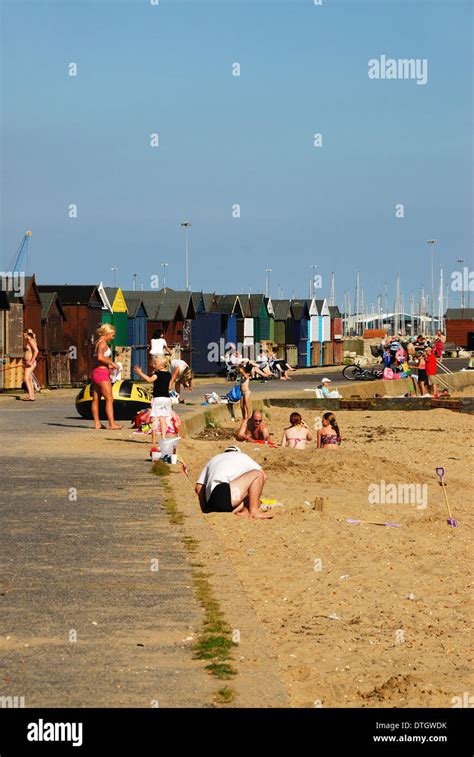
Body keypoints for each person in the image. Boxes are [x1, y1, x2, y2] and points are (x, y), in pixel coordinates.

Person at [195, 446, 272, 519]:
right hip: (222, 493)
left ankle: (244, 511)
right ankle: (254, 512)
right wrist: (256, 500)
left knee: (246, 494)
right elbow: (264, 476)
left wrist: (205, 508)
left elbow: (199, 487)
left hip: (211, 503)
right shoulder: (242, 456)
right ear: (237, 452)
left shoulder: (213, 459)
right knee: (257, 474)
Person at [134, 355, 175, 444]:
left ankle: (153, 439)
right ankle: (163, 438)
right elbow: (169, 386)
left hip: (158, 399)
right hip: (167, 399)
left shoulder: (157, 374)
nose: (153, 365)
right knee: (163, 419)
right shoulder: (168, 375)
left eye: (155, 364)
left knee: (155, 419)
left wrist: (140, 373)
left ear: (161, 366)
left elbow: (149, 380)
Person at [91, 324, 122, 429]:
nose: (113, 337)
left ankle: (97, 423)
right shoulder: (103, 343)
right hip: (101, 373)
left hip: (96, 371)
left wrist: (108, 364)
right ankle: (112, 424)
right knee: (109, 398)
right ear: (106, 334)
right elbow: (100, 357)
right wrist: (112, 363)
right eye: (112, 335)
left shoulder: (97, 342)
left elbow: (97, 358)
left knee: (96, 398)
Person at [22, 328, 39, 401]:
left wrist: (31, 361)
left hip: (30, 363)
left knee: (25, 378)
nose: (23, 335)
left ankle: (30, 396)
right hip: (27, 363)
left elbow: (36, 351)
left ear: (26, 333)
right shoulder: (29, 341)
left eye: (23, 334)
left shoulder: (30, 341)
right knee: (29, 379)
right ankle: (31, 395)